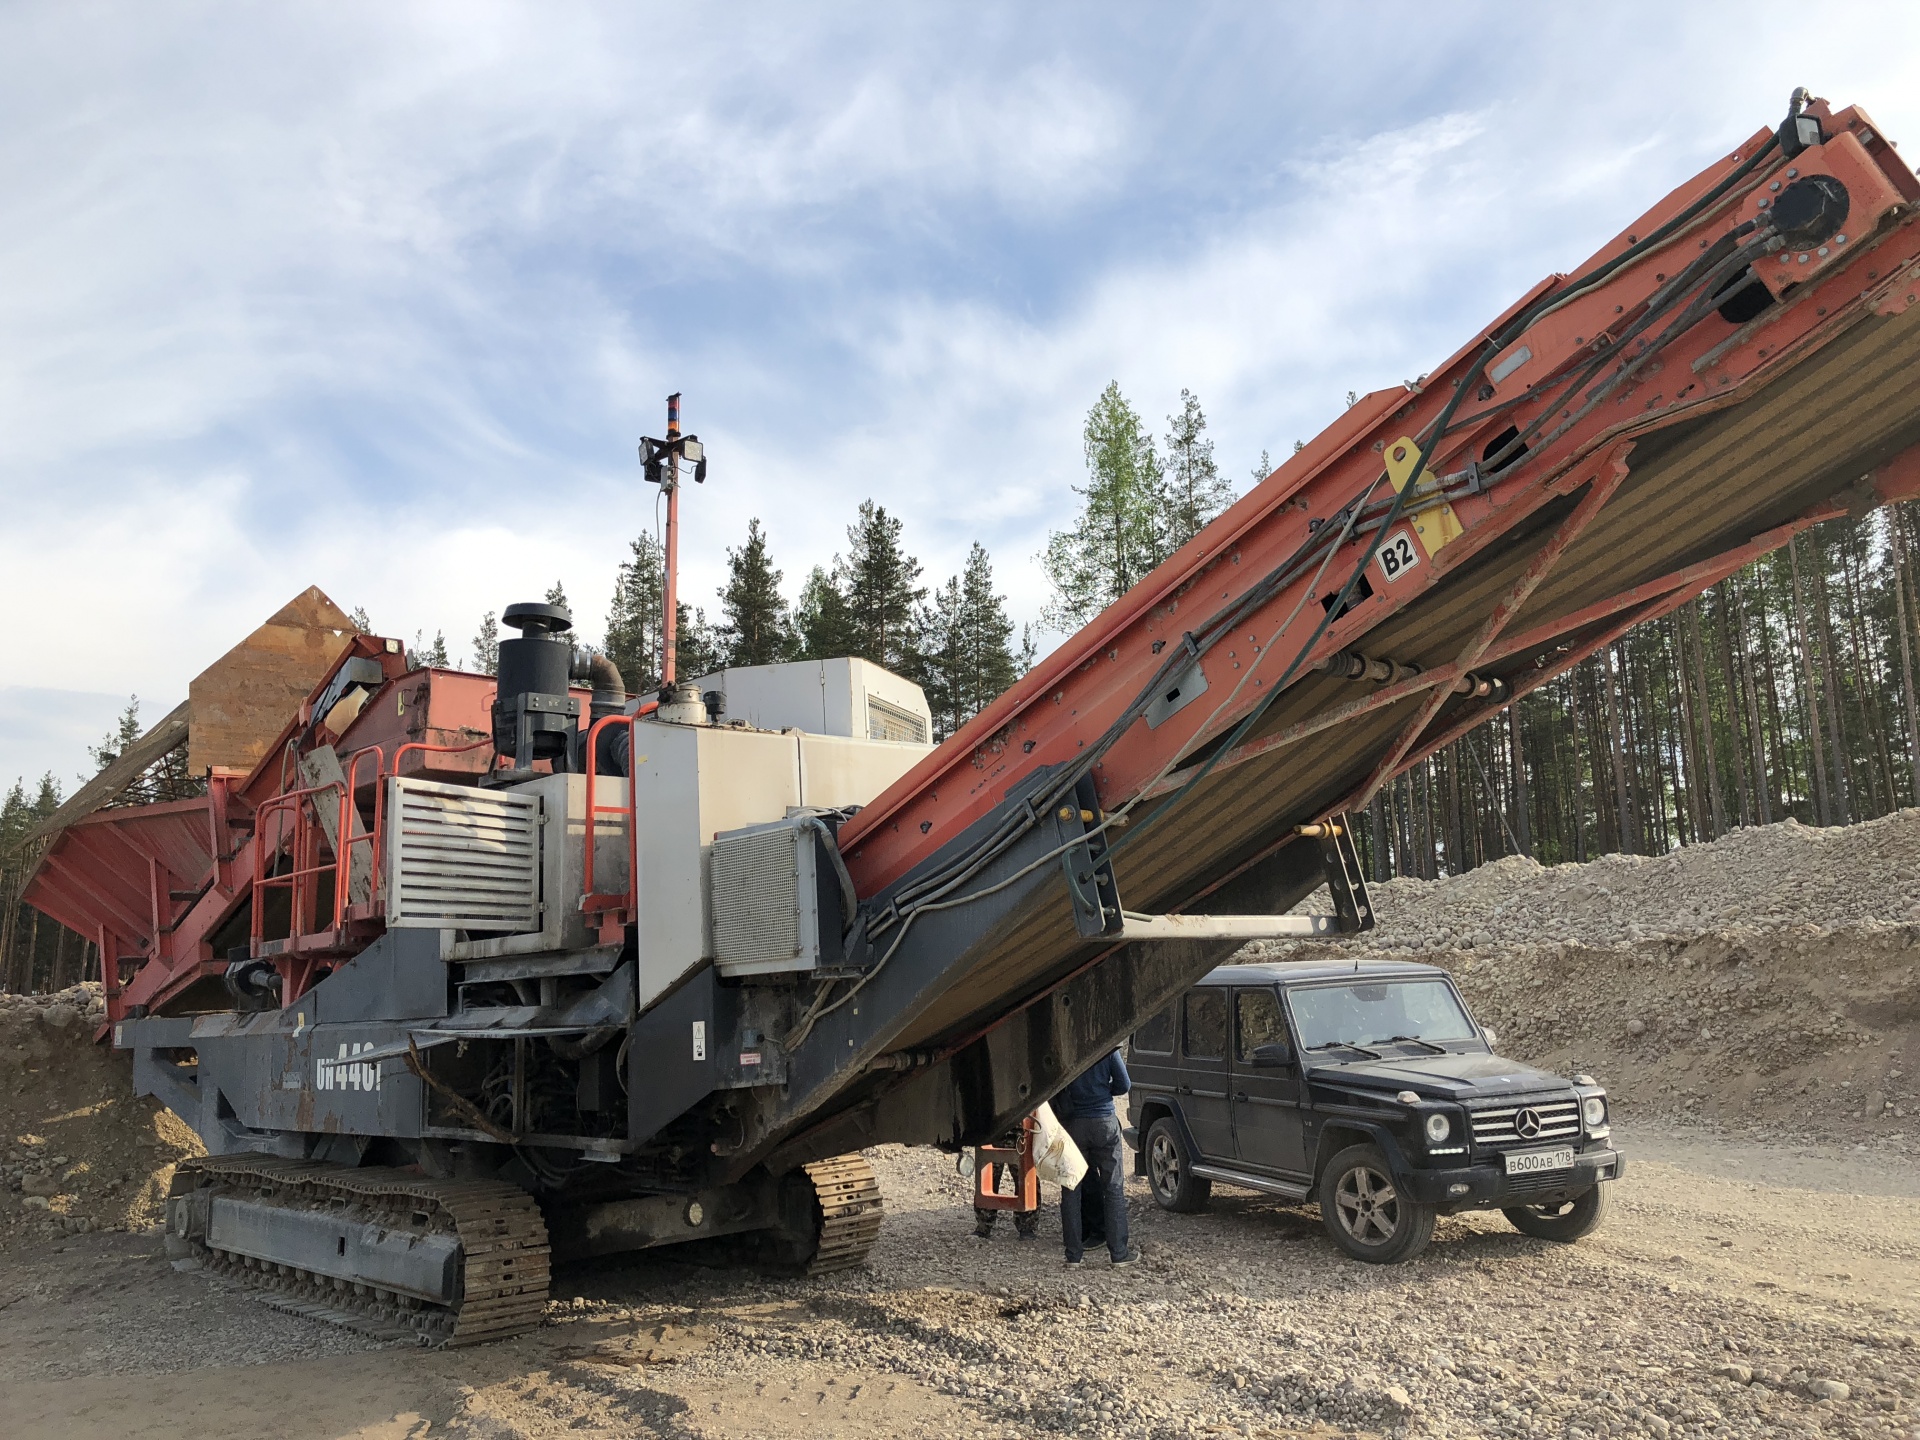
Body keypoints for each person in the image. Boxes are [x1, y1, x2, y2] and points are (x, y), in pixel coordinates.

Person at [1057, 1047, 1133, 1266]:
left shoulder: (1068, 1049)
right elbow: (1124, 1084)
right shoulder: (1107, 1047)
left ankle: (1073, 1256)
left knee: (1071, 1188)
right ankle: (1119, 1253)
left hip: (1073, 1124)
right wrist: (1103, 1090)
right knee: (1113, 1187)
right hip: (1104, 1121)